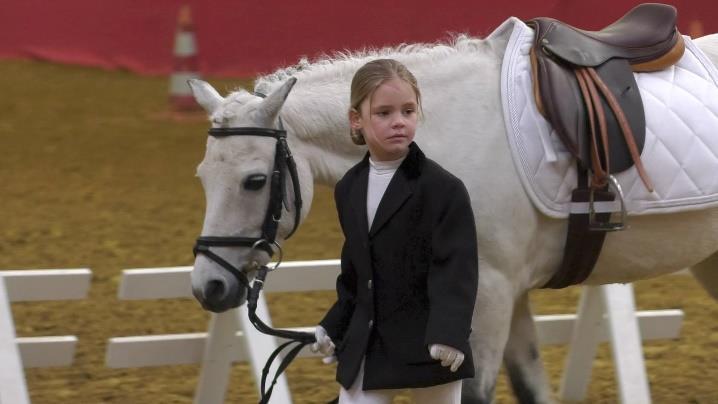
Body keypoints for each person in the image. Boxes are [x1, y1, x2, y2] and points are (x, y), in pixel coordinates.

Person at [312, 58, 478, 404]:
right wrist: (334, 325)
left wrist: (450, 333)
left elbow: (457, 270)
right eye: (384, 113)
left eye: (408, 110)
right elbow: (357, 273)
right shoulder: (348, 188)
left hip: (431, 346)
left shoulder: (444, 189)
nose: (399, 122)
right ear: (356, 119)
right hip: (369, 344)